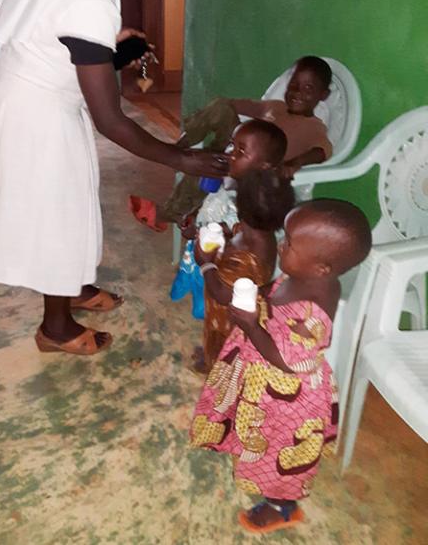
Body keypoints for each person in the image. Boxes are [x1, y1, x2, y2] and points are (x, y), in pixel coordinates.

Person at [0, 0, 227, 356]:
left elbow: (73, 45)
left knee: (71, 202)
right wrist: (180, 159)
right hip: (34, 109)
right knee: (56, 215)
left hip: (29, 91)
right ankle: (56, 329)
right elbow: (111, 119)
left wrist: (112, 52)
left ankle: (74, 287)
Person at [190, 199, 372, 535]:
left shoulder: (314, 307)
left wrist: (251, 326)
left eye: (289, 242)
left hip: (288, 398)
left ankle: (283, 507)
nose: (281, 244)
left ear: (322, 268)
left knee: (279, 453)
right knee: (257, 434)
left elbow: (290, 360)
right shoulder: (301, 275)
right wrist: (215, 270)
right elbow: (270, 296)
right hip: (267, 381)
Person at [130, 55, 333, 230]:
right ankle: (180, 148)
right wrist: (223, 108)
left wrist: (295, 163)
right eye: (294, 85)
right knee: (220, 106)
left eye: (308, 88)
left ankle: (171, 213)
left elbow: (322, 151)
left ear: (323, 95)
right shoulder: (275, 107)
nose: (297, 92)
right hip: (238, 148)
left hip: (257, 171)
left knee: (206, 165)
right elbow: (235, 106)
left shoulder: (314, 126)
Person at [170, 119, 287, 321]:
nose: (230, 153)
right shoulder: (240, 188)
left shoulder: (250, 246)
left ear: (264, 165)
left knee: (220, 336)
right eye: (232, 144)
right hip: (216, 256)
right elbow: (228, 220)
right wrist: (198, 223)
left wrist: (206, 262)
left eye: (241, 151)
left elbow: (224, 295)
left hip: (227, 307)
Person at [192, 168, 295, 373]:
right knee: (213, 336)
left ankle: (214, 369)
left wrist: (205, 263)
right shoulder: (259, 236)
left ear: (238, 206)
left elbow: (222, 295)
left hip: (230, 317)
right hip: (228, 309)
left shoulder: (247, 257)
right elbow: (237, 233)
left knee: (223, 345)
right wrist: (227, 232)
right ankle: (209, 355)